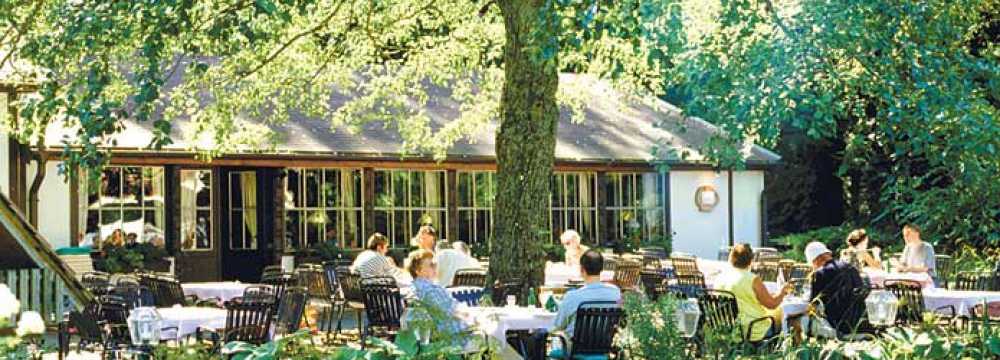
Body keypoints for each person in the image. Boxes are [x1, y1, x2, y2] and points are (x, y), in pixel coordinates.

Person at [714, 244, 794, 341]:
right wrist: (782, 292)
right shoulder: (752, 279)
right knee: (783, 319)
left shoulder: (720, 278)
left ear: (731, 258)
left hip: (727, 328)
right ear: (751, 260)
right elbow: (772, 304)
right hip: (752, 329)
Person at [552, 250, 622, 344]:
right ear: (601, 269)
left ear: (582, 270)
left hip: (574, 348)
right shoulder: (615, 293)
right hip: (603, 346)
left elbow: (558, 326)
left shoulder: (573, 296)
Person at [805, 242, 867, 335]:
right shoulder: (851, 268)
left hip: (836, 325)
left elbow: (813, 304)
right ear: (828, 254)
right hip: (858, 323)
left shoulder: (819, 274)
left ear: (816, 259)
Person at [405, 249, 467, 338]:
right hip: (453, 334)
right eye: (431, 265)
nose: (435, 267)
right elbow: (451, 312)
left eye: (435, 264)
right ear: (418, 271)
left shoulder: (415, 287)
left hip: (441, 330)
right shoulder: (430, 291)